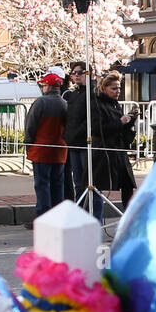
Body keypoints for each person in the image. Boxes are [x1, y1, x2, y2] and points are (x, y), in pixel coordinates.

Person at [87, 73, 138, 224]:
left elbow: (120, 127)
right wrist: (120, 122)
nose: (117, 91)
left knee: (128, 185)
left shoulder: (116, 104)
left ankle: (128, 218)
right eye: (113, 88)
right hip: (104, 153)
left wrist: (130, 120)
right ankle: (94, 221)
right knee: (96, 186)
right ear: (104, 88)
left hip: (119, 151)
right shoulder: (97, 104)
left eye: (119, 88)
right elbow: (99, 129)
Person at [23, 66, 68, 228]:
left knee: (42, 185)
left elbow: (30, 127)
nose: (42, 87)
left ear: (48, 86)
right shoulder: (64, 104)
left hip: (41, 150)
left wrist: (28, 145)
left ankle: (43, 217)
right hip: (59, 152)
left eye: (43, 85)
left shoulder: (40, 102)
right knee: (57, 185)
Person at [63, 61, 93, 213]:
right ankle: (80, 211)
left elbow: (91, 119)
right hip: (73, 143)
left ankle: (89, 213)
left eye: (80, 72)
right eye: (74, 73)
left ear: (88, 74)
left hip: (85, 143)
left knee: (88, 181)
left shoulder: (92, 94)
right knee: (78, 182)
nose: (76, 75)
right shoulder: (73, 94)